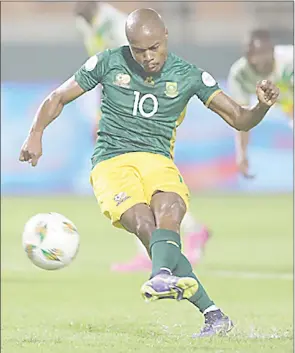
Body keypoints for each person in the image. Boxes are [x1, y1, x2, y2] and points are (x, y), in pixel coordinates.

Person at [19, 8, 279, 337]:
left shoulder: (189, 75)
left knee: (171, 210)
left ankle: (203, 308)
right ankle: (189, 295)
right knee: (145, 224)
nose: (147, 57)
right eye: (139, 50)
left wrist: (262, 107)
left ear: (166, 36)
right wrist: (36, 133)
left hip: (157, 159)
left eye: (154, 47)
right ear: (128, 45)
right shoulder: (108, 62)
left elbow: (240, 118)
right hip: (112, 162)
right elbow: (58, 97)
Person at [75, 2, 210, 273]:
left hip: (139, 105)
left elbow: (125, 72)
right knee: (139, 184)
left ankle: (168, 242)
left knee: (138, 183)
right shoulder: (85, 24)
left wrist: (103, 117)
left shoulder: (115, 25)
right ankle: (190, 230)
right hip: (117, 108)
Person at [228, 29, 293, 178]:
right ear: (249, 56)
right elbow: (242, 117)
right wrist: (242, 154)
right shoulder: (240, 74)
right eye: (258, 53)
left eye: (266, 52)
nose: (264, 58)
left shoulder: (289, 62)